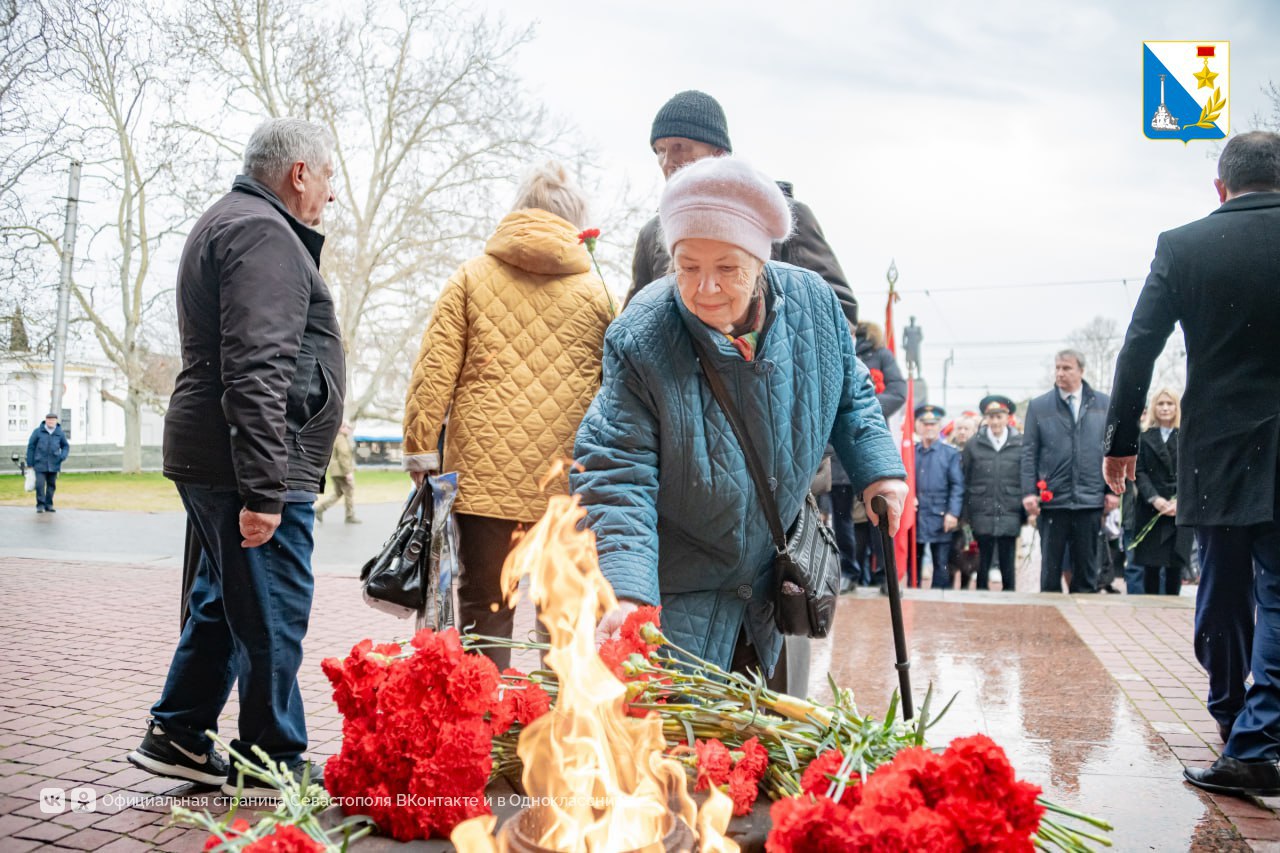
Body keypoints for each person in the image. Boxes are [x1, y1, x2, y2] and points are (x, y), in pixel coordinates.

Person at [573, 156, 907, 694]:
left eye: (726, 268)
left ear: (760, 259)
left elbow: (851, 393)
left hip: (774, 582)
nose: (704, 287)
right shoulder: (641, 335)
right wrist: (630, 589)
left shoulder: (815, 306)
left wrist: (879, 469)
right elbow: (616, 469)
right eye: (687, 266)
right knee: (688, 755)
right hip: (683, 588)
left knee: (772, 741)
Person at [129, 118, 344, 797]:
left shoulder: (234, 220)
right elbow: (257, 365)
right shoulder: (263, 232)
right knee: (272, 608)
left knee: (226, 601)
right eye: (329, 176)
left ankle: (180, 734)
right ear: (299, 173)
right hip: (247, 460)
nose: (331, 195)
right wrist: (265, 488)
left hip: (217, 453)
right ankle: (269, 760)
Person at [1103, 131, 1280, 798]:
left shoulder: (1183, 244)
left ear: (1221, 186)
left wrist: (1121, 440)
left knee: (1221, 593)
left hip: (1218, 451)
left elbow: (1138, 348)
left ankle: (1240, 726)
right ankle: (1255, 737)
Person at [402, 162, 613, 670]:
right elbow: (619, 389)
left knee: (484, 615)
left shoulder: (472, 277)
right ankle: (556, 736)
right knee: (564, 621)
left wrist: (420, 450)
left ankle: (486, 732)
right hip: (569, 484)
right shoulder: (600, 294)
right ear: (574, 222)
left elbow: (433, 372)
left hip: (482, 484)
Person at [625, 90, 857, 326]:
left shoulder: (781, 218)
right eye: (660, 150)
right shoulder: (652, 234)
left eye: (680, 147)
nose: (667, 161)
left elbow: (840, 311)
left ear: (719, 153)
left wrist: (774, 348)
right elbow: (633, 323)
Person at [1021, 349, 1115, 593]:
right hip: (1053, 500)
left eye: (1067, 368)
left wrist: (1112, 491)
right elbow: (1029, 452)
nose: (1060, 373)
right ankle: (1050, 619)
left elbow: (1112, 451)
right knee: (1051, 570)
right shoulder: (1040, 406)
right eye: (1058, 368)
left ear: (1081, 371)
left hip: (1090, 499)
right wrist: (1029, 492)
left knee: (1086, 568)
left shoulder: (1103, 405)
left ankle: (1084, 618)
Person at [837, 321, 906, 591]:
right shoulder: (832, 345)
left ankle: (887, 572)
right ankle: (848, 571)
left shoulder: (880, 354)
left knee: (881, 511)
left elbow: (898, 391)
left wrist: (862, 409)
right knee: (842, 515)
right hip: (837, 447)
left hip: (867, 439)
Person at [961, 396, 1024, 591]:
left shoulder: (1020, 444)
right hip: (982, 510)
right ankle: (981, 600)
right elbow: (965, 478)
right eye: (991, 417)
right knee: (983, 562)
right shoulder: (973, 444)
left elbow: (1025, 476)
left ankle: (1010, 599)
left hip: (1010, 509)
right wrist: (965, 514)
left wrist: (1026, 512)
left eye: (999, 416)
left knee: (1007, 562)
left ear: (1007, 417)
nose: (995, 422)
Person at [1133, 389, 1192, 596]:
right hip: (1152, 508)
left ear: (1177, 407)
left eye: (1170, 404)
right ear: (1153, 408)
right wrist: (1154, 499)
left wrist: (1180, 501)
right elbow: (1138, 471)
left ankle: (1171, 606)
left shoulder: (1187, 436)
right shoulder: (1144, 437)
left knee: (1175, 564)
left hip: (1178, 508)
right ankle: (1150, 608)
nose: (1165, 408)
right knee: (1151, 565)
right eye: (1160, 404)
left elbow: (1192, 470)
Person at [913, 404, 964, 589]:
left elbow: (957, 485)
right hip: (916, 517)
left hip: (940, 516)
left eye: (933, 424)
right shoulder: (911, 452)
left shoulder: (949, 454)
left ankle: (939, 605)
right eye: (924, 424)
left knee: (941, 565)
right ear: (917, 426)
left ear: (939, 426)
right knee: (914, 566)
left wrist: (953, 513)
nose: (929, 428)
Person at [315, 422, 360, 524]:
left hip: (335, 471)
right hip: (341, 471)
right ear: (341, 428)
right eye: (348, 427)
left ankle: (320, 509)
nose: (349, 429)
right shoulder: (341, 439)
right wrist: (348, 472)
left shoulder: (337, 438)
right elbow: (343, 456)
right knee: (349, 491)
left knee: (338, 493)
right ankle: (350, 516)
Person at [26, 413, 69, 513]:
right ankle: (40, 505)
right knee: (40, 485)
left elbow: (66, 446)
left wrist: (62, 456)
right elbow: (31, 447)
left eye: (53, 420)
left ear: (56, 421)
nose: (51, 421)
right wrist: (30, 463)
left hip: (54, 464)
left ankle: (49, 505)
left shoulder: (60, 433)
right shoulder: (37, 432)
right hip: (39, 463)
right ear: (46, 420)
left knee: (51, 486)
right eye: (49, 420)